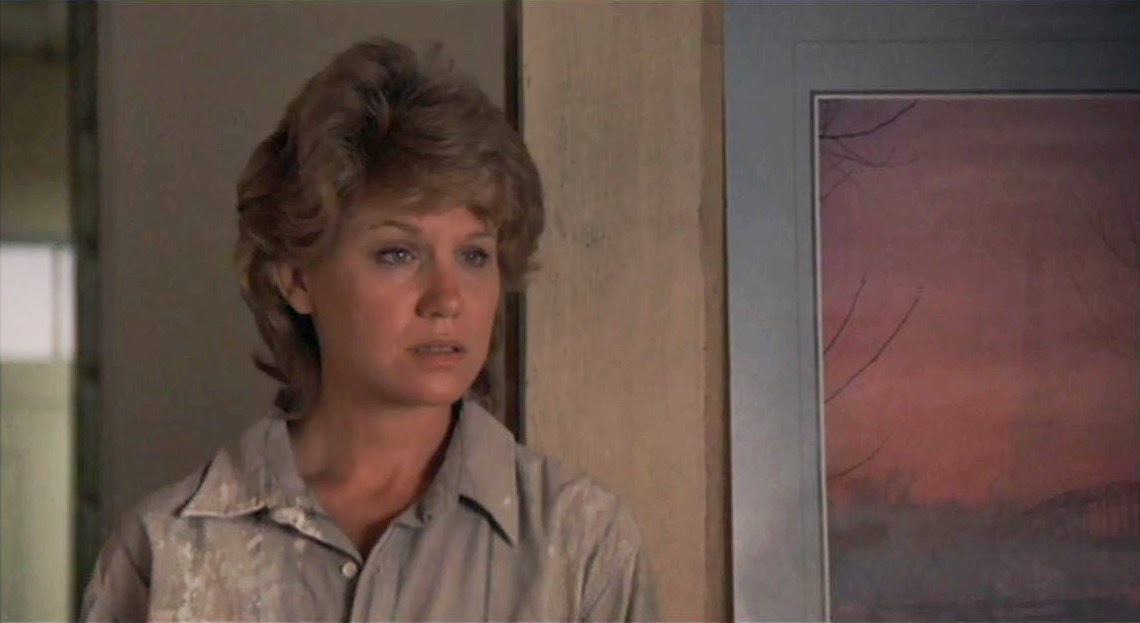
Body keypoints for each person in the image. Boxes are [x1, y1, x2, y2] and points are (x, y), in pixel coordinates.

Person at [81, 38, 658, 621]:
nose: (447, 299)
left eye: (475, 256)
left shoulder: (582, 545)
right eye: (397, 254)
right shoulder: (167, 552)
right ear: (297, 279)